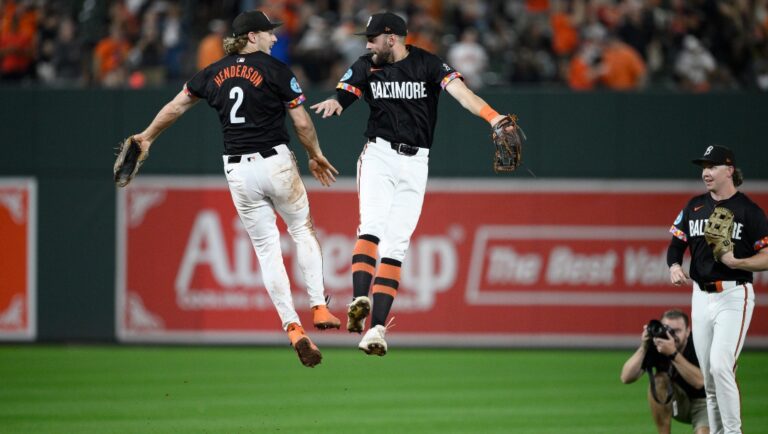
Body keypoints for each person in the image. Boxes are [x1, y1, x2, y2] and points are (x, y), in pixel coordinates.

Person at [130, 10, 341, 368]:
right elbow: (302, 121)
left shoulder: (212, 72)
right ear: (252, 36)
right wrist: (315, 154)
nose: (275, 39)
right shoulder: (276, 70)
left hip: (238, 171)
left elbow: (176, 107)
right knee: (302, 230)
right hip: (275, 162)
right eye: (269, 33)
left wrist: (147, 136)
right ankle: (319, 306)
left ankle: (292, 327)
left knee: (266, 250)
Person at [310, 12, 517, 356]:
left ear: (391, 38)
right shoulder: (366, 65)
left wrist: (493, 117)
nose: (367, 44)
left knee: (397, 246)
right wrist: (336, 101)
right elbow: (345, 94)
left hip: (416, 162)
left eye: (372, 38)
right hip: (379, 155)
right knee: (372, 226)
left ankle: (375, 329)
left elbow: (463, 94)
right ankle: (360, 295)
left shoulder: (428, 65)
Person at [667, 145, 768, 433]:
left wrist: (738, 261)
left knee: (721, 366)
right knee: (710, 379)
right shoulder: (694, 206)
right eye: (704, 167)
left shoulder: (749, 211)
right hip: (701, 295)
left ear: (729, 171)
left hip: (734, 294)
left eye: (712, 167)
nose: (706, 173)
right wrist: (674, 266)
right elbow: (676, 245)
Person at [620, 309, 709, 434]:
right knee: (658, 381)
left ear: (688, 332)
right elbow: (626, 377)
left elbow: (700, 382)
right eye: (667, 329)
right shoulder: (658, 344)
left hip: (705, 402)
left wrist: (673, 354)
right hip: (676, 401)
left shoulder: (699, 344)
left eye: (677, 330)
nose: (672, 334)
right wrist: (644, 346)